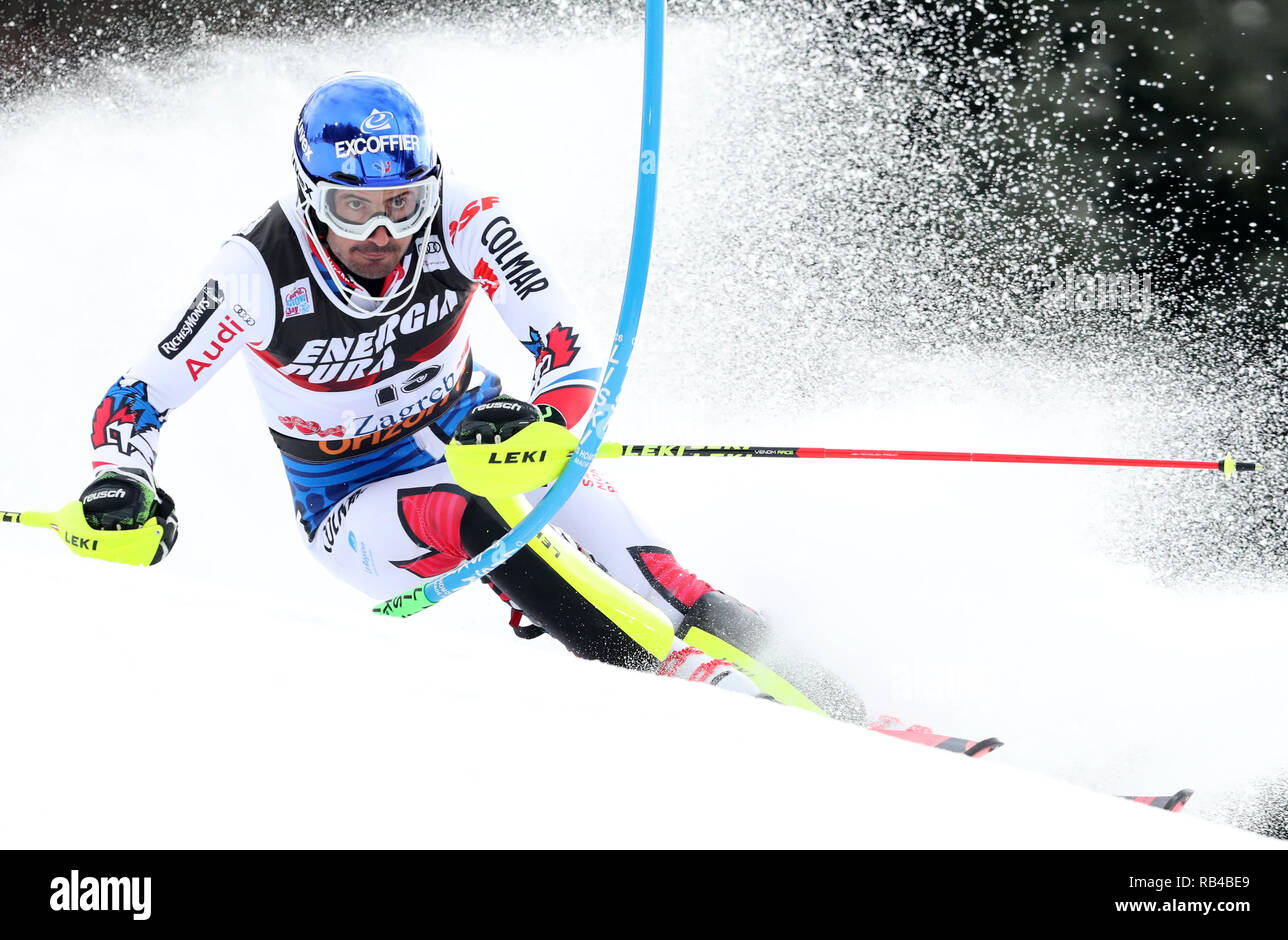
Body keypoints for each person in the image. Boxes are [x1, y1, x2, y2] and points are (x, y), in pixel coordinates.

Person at [78, 72, 862, 719]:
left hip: (478, 437)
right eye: (354, 207)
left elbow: (570, 348)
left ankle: (844, 705)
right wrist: (124, 480)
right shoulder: (254, 273)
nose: (382, 232)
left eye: (404, 203)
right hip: (354, 504)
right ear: (310, 194)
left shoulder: (467, 218)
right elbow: (135, 401)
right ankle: (697, 692)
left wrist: (543, 422)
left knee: (657, 574)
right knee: (476, 511)